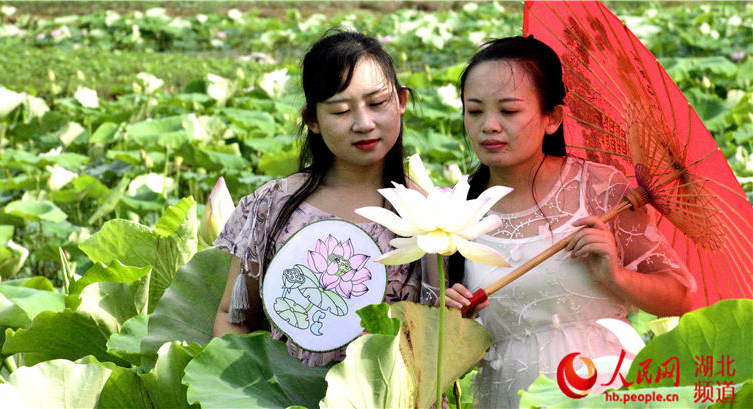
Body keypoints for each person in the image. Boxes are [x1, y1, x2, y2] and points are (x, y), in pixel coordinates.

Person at [443, 36, 696, 408]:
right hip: (509, 393)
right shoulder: (453, 208)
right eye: (475, 111)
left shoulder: (601, 190)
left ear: (553, 118)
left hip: (606, 387)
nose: (489, 126)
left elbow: (681, 296)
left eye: (509, 111)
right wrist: (452, 318)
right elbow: (448, 347)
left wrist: (615, 276)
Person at [212, 31, 420, 367]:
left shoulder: (431, 217)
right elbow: (233, 317)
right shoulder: (272, 206)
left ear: (401, 101)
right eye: (340, 111)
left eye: (378, 103)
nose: (364, 123)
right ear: (312, 120)